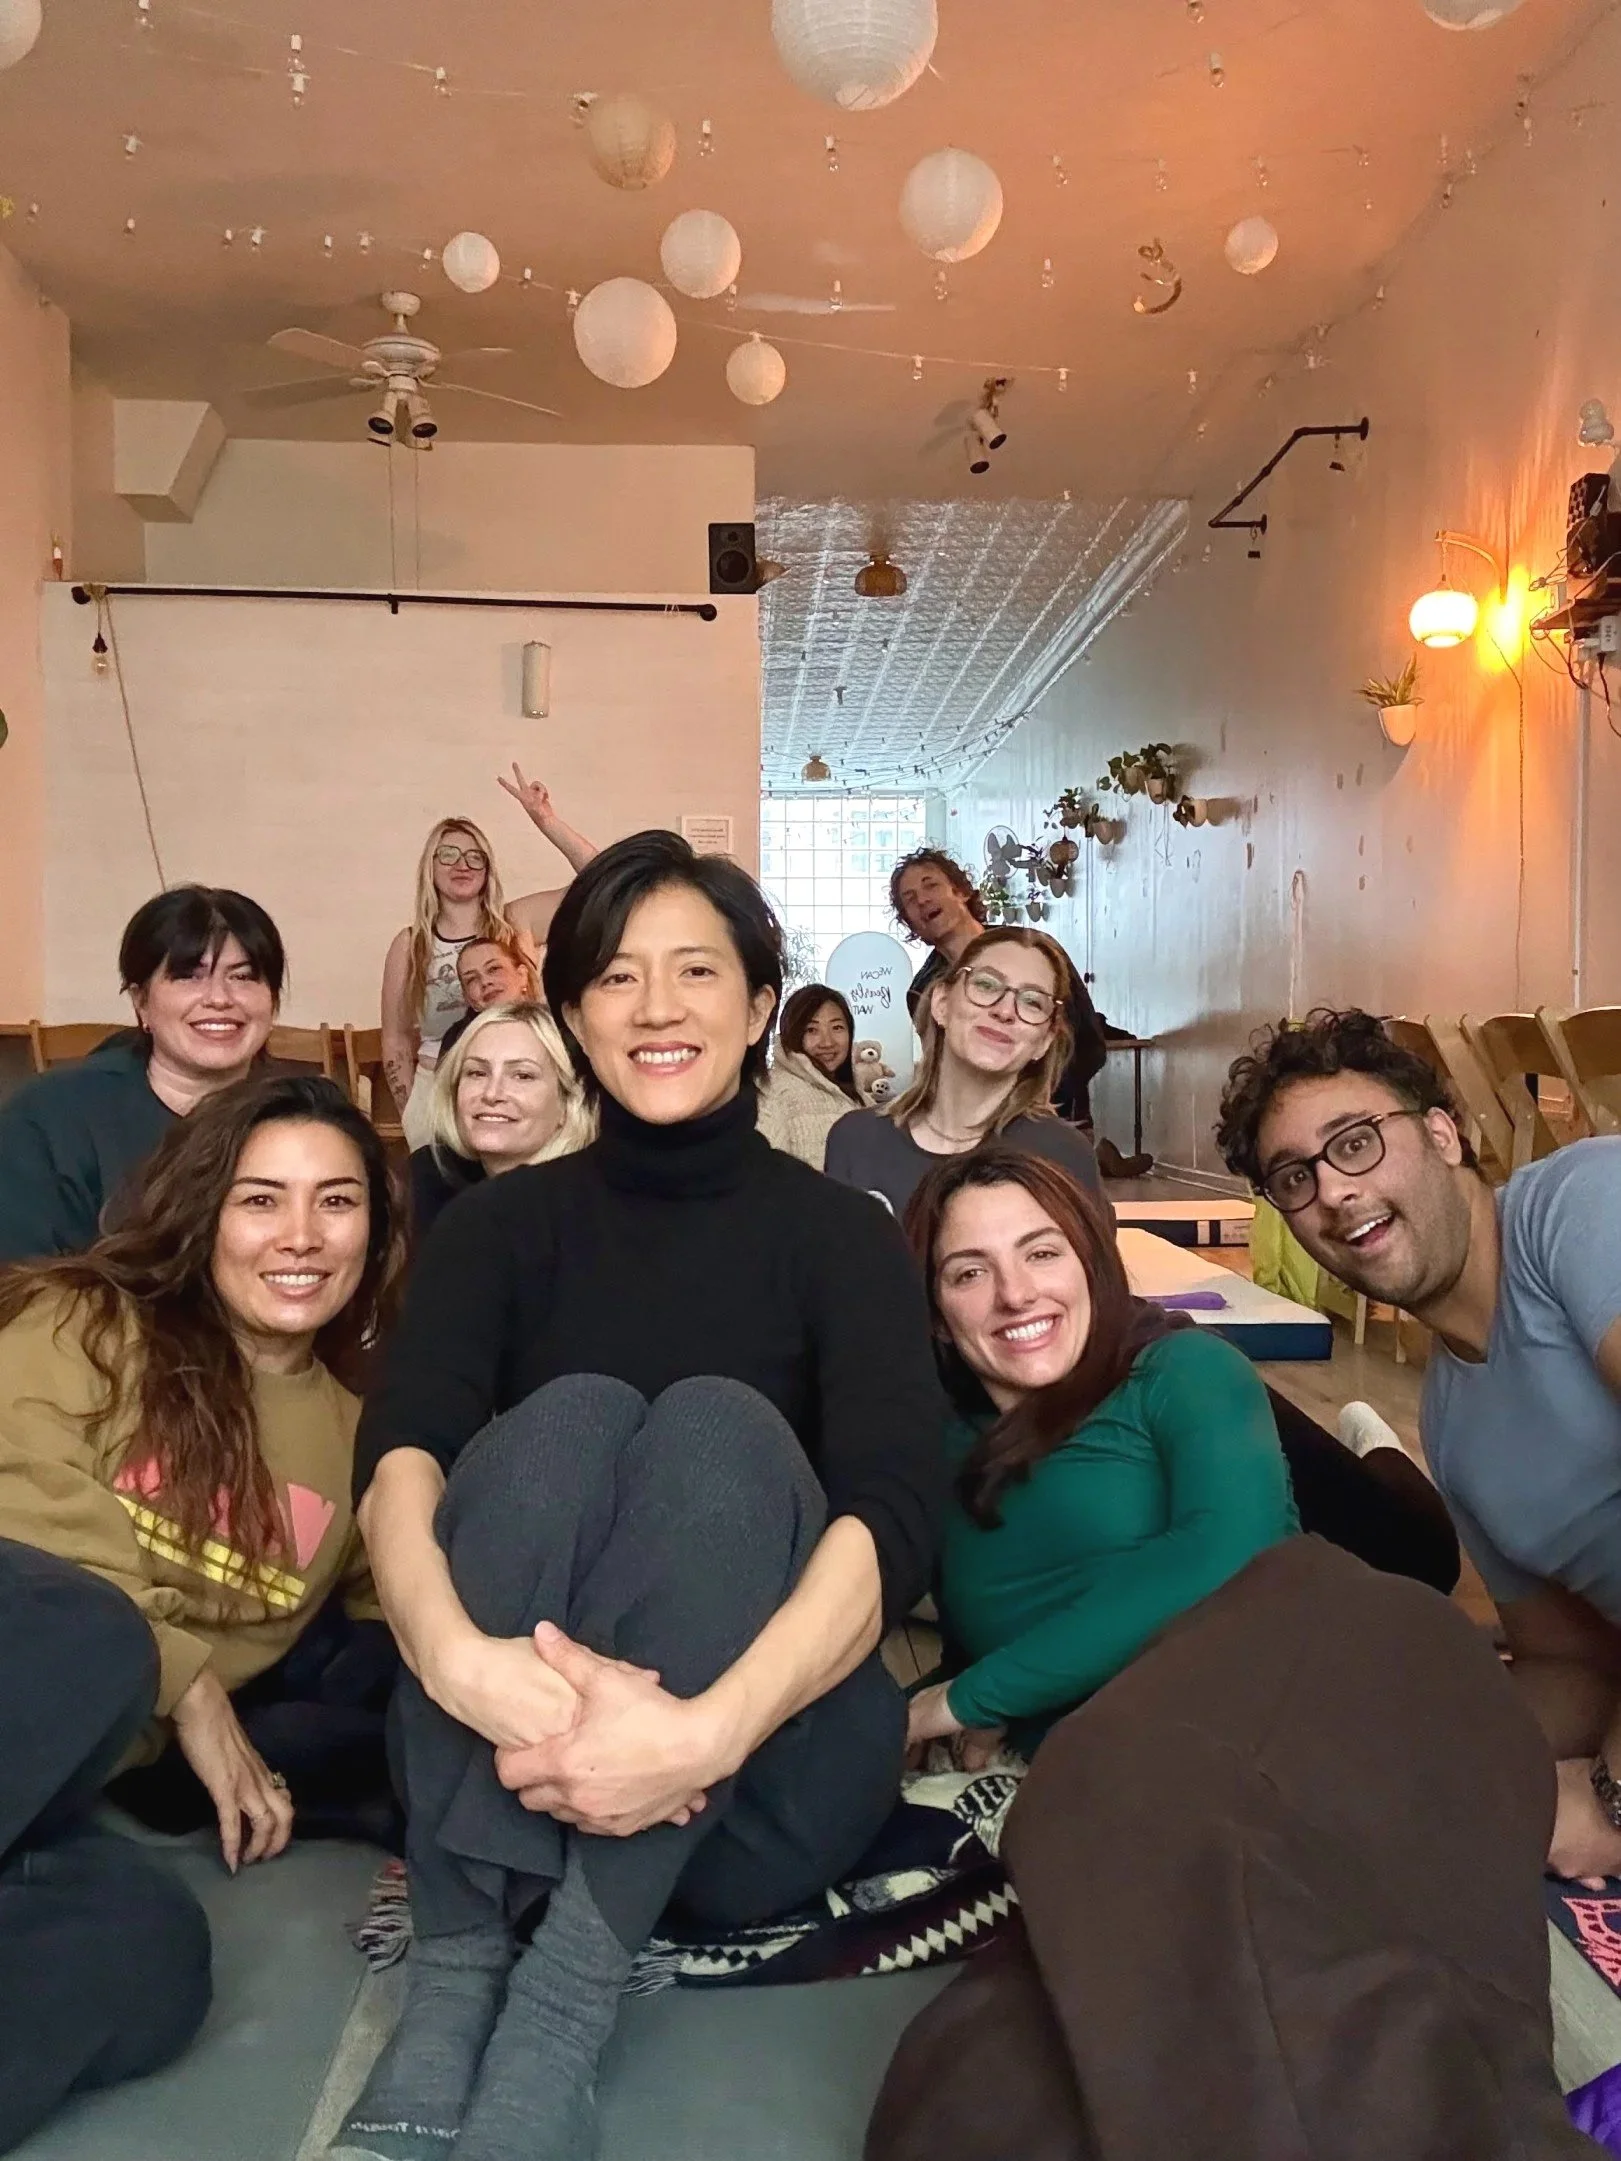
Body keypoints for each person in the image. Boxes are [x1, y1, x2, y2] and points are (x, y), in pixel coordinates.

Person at [334, 830, 945, 2161]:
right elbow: (402, 1451)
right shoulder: (495, 1227)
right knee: (574, 1417)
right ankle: (452, 1979)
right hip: (504, 1753)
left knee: (718, 1426)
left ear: (758, 1007)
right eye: (615, 979)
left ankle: (561, 2002)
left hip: (750, 1779)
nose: (657, 1009)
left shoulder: (839, 1234)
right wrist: (458, 1664)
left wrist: (704, 1732)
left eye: (695, 973)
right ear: (570, 1013)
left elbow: (895, 1509)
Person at [0, 1073, 403, 2151]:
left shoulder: (363, 1442)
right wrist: (186, 1680)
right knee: (90, 1637)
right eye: (261, 1198)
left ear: (376, 1226)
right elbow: (19, 1508)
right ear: (204, 1208)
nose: (302, 1235)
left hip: (46, 1800)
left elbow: (422, 1611)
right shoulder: (83, 1318)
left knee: (146, 1950)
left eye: (339, 1199)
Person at [1216, 1006, 1621, 1886]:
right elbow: (1572, 1665)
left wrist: (1612, 1796)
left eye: (1355, 1142)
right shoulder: (1451, 1423)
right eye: (1292, 1176)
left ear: (1441, 1133)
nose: (1330, 1190)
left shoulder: (1578, 1206)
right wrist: (1398, 1746)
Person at [901, 1145, 1298, 1760]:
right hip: (1084, 1770)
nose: (1016, 1293)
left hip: (1253, 1730)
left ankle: (1374, 1447)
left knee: (1410, 1533)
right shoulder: (939, 1435)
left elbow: (1229, 1551)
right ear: (935, 1314)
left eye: (1042, 1253)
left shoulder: (1184, 1370)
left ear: (1089, 1262)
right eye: (970, 1272)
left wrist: (967, 1700)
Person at [0, 885, 285, 1264]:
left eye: (244, 976)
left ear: (273, 1001)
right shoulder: (48, 1120)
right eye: (189, 976)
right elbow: (24, 1283)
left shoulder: (309, 1117)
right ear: (141, 1001)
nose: (220, 998)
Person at [380, 769, 598, 1148]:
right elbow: (396, 1038)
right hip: (437, 1087)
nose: (461, 865)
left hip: (516, 1085)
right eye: (447, 855)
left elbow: (601, 882)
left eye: (474, 857)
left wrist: (546, 821)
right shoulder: (409, 944)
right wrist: (413, 1108)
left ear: (488, 869)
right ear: (429, 867)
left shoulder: (515, 922)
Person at [825, 926, 1105, 1217]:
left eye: (1033, 1002)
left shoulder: (1063, 1154)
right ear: (942, 1003)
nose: (1005, 1011)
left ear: (1044, 1042)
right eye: (986, 985)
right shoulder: (855, 1141)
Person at [890, 847, 1112, 1138]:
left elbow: (1088, 1045)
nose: (922, 900)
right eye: (910, 899)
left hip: (1055, 1123)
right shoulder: (923, 991)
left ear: (961, 892)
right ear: (910, 924)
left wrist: (1036, 1104)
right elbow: (940, 1070)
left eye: (931, 885)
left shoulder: (1036, 952)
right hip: (973, 1135)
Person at [408, 1002, 595, 1242]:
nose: (491, 1093)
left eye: (522, 1075)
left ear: (567, 1104)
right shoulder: (427, 1180)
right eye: (477, 1073)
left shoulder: (591, 1209)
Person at [756, 982, 861, 1169]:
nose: (827, 1042)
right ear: (792, 1034)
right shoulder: (773, 1092)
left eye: (837, 1028)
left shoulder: (858, 1095)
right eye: (811, 1030)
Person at [433, 936, 542, 1067]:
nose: (485, 982)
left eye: (494, 969)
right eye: (472, 979)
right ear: (467, 998)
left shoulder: (554, 1028)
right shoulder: (456, 1041)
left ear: (522, 975)